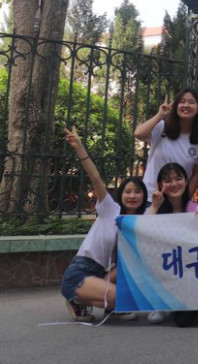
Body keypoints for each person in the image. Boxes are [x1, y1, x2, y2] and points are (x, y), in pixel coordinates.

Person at [61, 127, 147, 321]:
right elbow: (95, 178)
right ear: (121, 194)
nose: (132, 196)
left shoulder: (137, 224)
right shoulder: (110, 209)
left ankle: (103, 302)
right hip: (80, 272)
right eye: (128, 191)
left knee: (131, 273)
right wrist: (79, 148)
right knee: (121, 298)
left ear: (144, 196)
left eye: (137, 192)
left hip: (103, 273)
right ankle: (77, 299)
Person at [145, 162, 198, 324]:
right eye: (168, 181)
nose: (174, 184)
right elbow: (142, 233)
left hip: (191, 272)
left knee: (183, 321)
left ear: (186, 181)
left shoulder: (197, 210)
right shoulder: (155, 211)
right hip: (163, 268)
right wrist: (155, 206)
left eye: (178, 179)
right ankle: (160, 303)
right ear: (160, 185)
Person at [134, 88, 198, 201]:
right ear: (176, 106)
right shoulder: (162, 127)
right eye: (182, 101)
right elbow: (139, 134)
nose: (186, 105)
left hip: (176, 201)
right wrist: (160, 115)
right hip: (151, 197)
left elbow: (197, 174)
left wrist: (184, 200)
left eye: (191, 102)